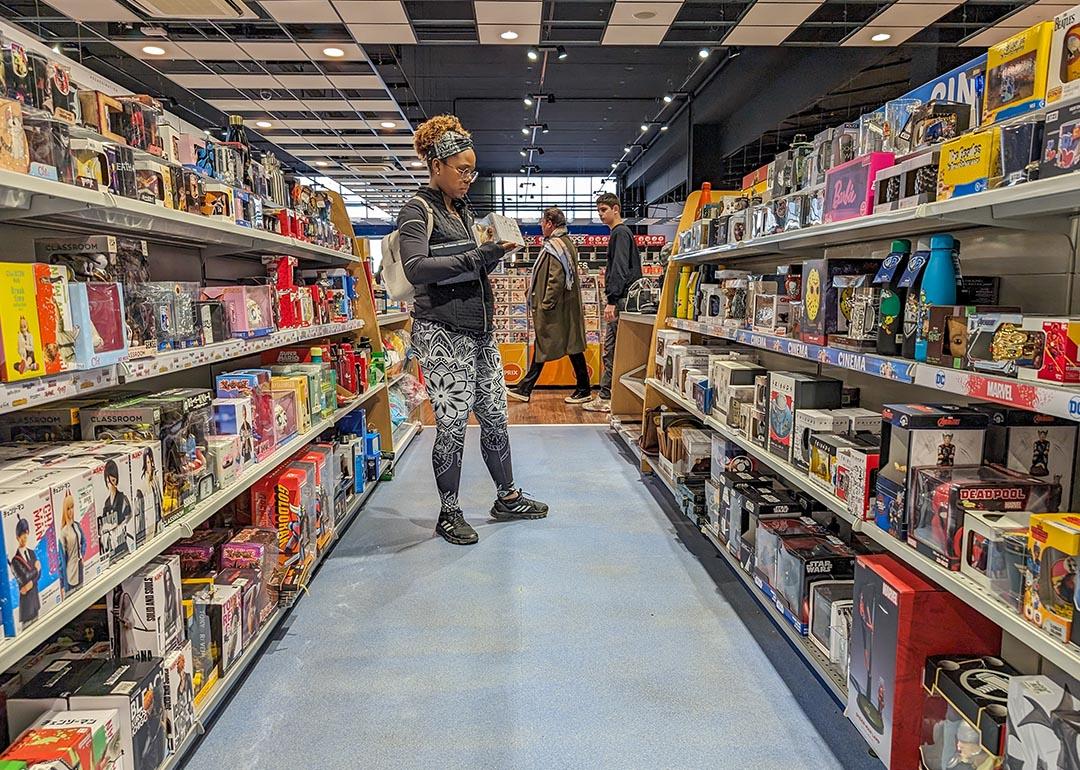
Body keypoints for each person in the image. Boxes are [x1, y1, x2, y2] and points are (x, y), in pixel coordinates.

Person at [397, 114, 548, 546]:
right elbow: (417, 268)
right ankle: (448, 512)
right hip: (442, 331)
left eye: (472, 170)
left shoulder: (462, 210)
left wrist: (493, 254)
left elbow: (471, 266)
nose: (468, 178)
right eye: (462, 170)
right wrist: (478, 259)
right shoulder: (417, 209)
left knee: (496, 415)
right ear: (436, 165)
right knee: (452, 423)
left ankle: (507, 496)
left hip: (479, 331)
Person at [507, 207, 590, 404]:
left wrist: (545, 304)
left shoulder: (556, 245)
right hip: (563, 307)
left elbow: (556, 278)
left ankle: (526, 387)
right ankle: (582, 387)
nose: (540, 226)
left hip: (556, 308)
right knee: (569, 345)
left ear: (550, 223)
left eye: (542, 222)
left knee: (547, 343)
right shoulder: (563, 243)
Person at [583, 192, 642, 413]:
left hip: (621, 300)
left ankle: (607, 396)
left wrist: (612, 300)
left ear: (616, 209)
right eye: (598, 210)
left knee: (612, 348)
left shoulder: (619, 233)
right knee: (615, 348)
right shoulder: (622, 233)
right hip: (626, 299)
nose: (600, 214)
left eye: (604, 210)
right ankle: (610, 395)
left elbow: (619, 268)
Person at [11, 517, 40, 625]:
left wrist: (31, 583)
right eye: (21, 536)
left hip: (35, 602)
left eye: (25, 535)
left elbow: (39, 574)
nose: (24, 538)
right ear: (17, 538)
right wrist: (36, 569)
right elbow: (24, 577)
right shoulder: (15, 560)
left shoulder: (32, 553)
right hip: (26, 607)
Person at [58, 492, 86, 593]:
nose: (71, 511)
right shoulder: (63, 532)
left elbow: (84, 541)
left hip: (80, 567)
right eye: (68, 509)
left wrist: (81, 556)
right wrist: (62, 583)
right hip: (70, 571)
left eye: (72, 507)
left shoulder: (77, 526)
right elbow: (61, 559)